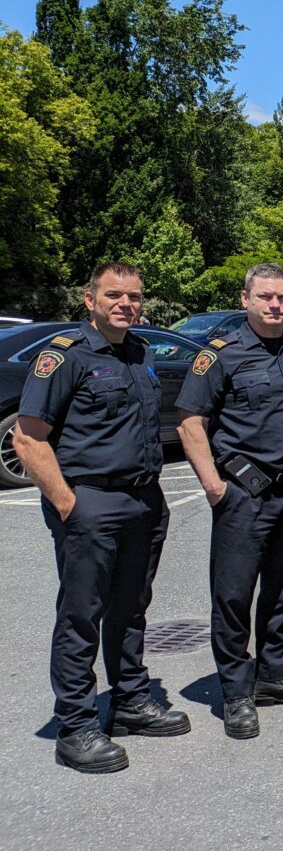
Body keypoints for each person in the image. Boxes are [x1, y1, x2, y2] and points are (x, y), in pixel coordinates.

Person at [14, 262, 189, 773]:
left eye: (134, 296)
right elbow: (28, 437)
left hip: (144, 501)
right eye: (113, 295)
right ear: (89, 300)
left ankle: (131, 699)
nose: (125, 304)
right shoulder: (64, 356)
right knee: (81, 614)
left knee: (131, 606)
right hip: (91, 502)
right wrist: (68, 504)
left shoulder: (140, 353)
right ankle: (76, 724)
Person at [175, 263, 283, 741]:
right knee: (235, 595)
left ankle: (276, 674)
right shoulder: (218, 355)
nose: (275, 305)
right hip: (245, 492)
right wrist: (214, 486)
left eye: (282, 297)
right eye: (265, 297)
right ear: (246, 300)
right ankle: (237, 692)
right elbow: (190, 423)